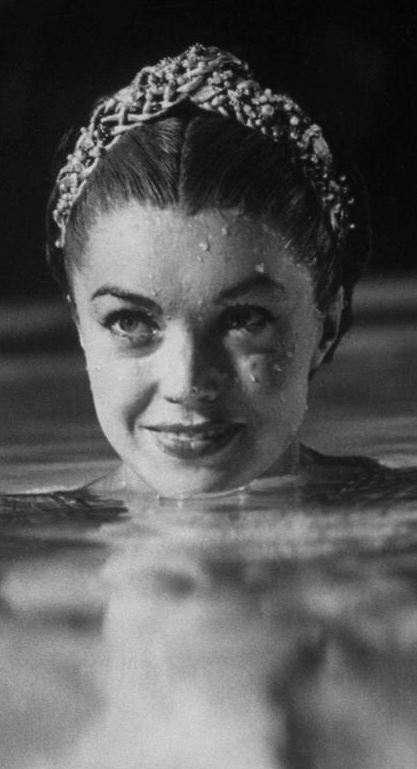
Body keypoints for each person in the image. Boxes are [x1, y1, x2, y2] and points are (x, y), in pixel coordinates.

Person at [46, 43, 372, 499]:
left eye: (244, 319)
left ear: (326, 326)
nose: (188, 384)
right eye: (130, 322)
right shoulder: (4, 542)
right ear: (81, 327)